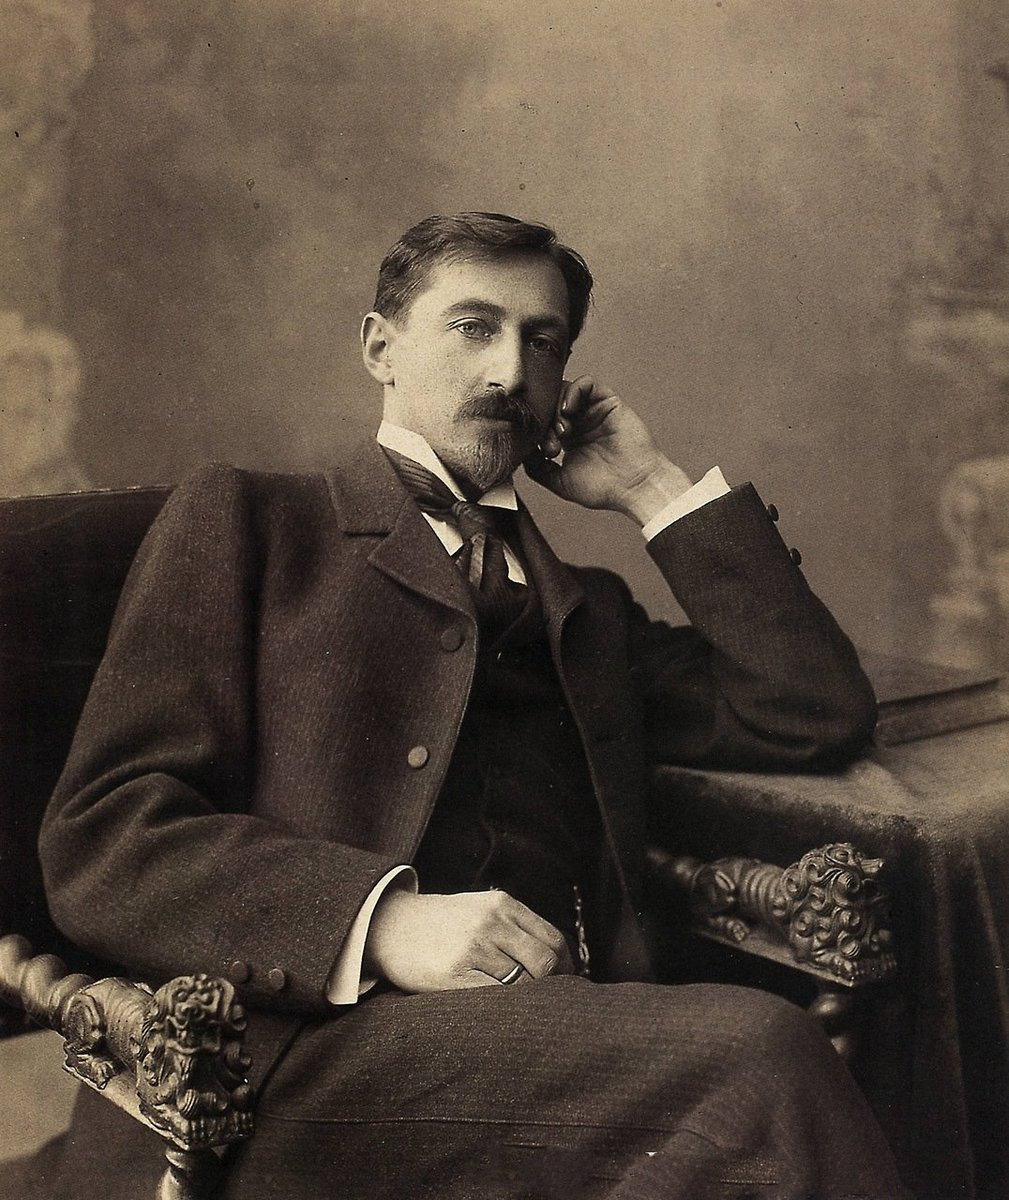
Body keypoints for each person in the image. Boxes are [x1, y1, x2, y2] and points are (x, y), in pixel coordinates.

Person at [38, 212, 909, 1199]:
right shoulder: (254, 522)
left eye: (543, 342)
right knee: (761, 1058)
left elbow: (809, 707)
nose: (508, 370)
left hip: (554, 1055)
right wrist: (381, 922)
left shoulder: (587, 609)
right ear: (380, 349)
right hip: (282, 1063)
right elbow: (106, 837)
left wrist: (648, 486)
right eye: (472, 326)